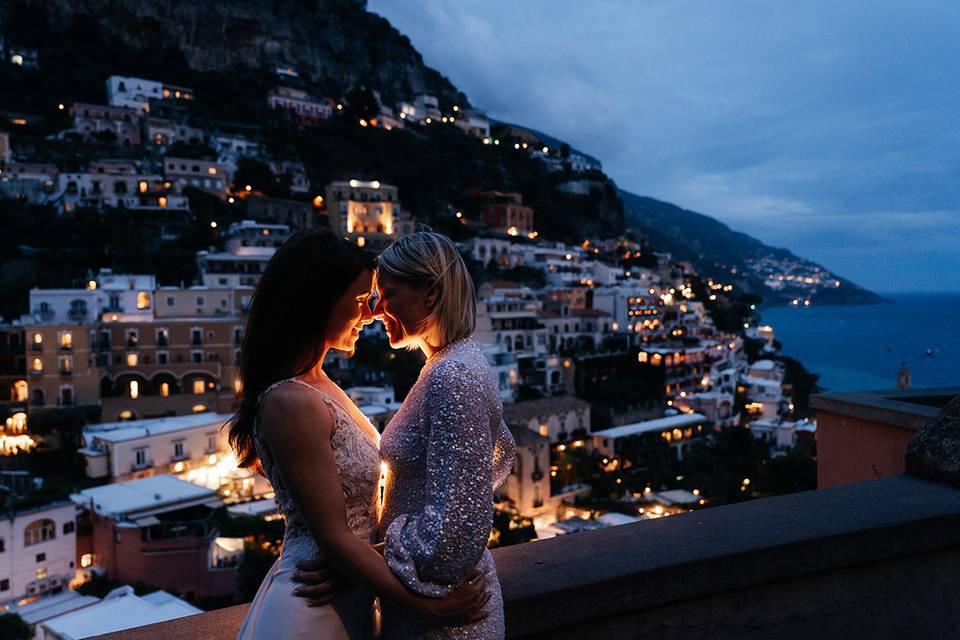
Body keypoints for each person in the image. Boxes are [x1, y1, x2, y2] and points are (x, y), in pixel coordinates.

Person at [231, 229, 489, 640]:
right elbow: (333, 538)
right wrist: (427, 607)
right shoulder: (290, 401)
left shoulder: (320, 387)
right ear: (317, 303)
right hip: (310, 612)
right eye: (358, 302)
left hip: (350, 598)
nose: (369, 314)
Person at [373, 232, 516, 639]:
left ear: (430, 294)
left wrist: (375, 554)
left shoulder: (452, 376)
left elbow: (455, 532)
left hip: (443, 620)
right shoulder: (455, 362)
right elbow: (497, 456)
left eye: (389, 293)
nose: (378, 308)